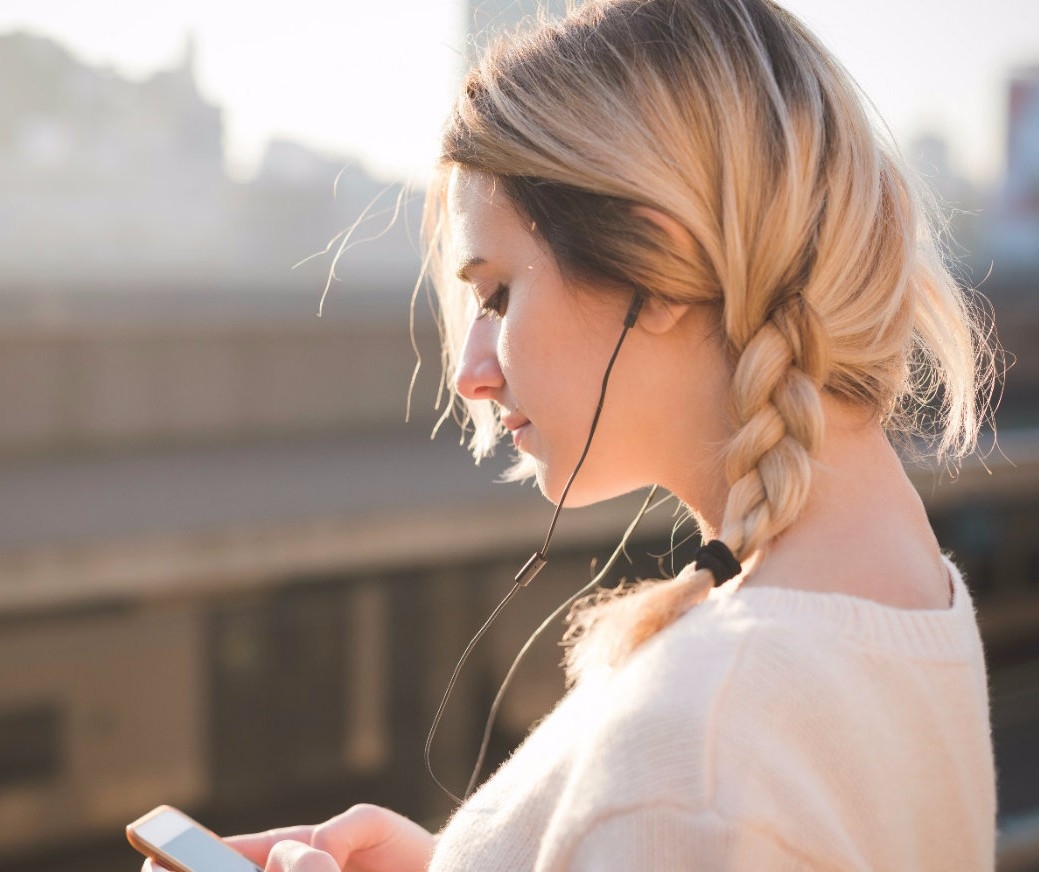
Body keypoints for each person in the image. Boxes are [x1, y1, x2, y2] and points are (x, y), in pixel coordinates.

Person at [147, 0, 999, 868]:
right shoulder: (906, 594)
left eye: (498, 295)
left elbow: (693, 808)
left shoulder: (694, 756)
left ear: (649, 266)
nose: (469, 374)